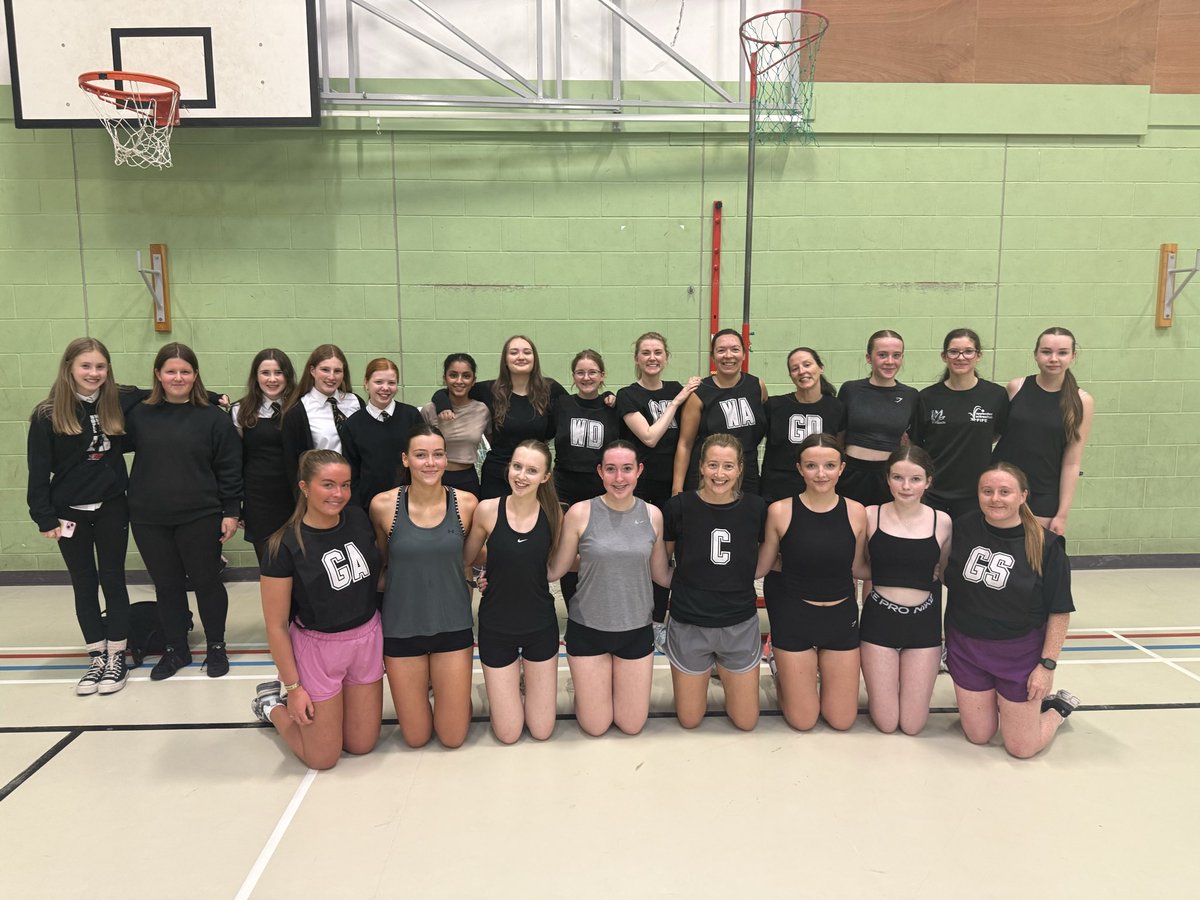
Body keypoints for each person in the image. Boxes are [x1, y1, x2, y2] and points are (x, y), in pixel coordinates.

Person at [251, 451, 384, 770]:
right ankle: (271, 705)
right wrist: (294, 688)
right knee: (322, 759)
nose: (338, 494)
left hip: (366, 638)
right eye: (328, 485)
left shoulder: (357, 518)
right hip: (318, 649)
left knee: (362, 745)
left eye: (345, 485)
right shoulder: (283, 545)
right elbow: (276, 626)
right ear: (305, 487)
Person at [27, 338, 139, 695]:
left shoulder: (118, 401)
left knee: (113, 578)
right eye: (86, 366)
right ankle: (96, 655)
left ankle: (117, 656)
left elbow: (168, 387)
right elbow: (37, 470)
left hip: (111, 507)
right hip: (68, 513)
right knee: (83, 582)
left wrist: (214, 397)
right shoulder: (47, 414)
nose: (94, 373)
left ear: (108, 371)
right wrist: (43, 517)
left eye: (100, 367)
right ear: (70, 369)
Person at [944, 462, 1079, 758]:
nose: (995, 498)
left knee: (1021, 748)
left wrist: (1047, 666)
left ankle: (1057, 709)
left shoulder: (1047, 545)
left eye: (1005, 492)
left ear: (1023, 496)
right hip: (966, 647)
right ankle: (1005, 704)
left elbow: (1059, 611)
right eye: (987, 491)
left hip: (1018, 654)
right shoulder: (963, 527)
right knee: (979, 736)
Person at [125, 343, 242, 680]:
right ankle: (177, 648)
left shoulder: (212, 419)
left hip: (200, 515)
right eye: (170, 371)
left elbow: (230, 468)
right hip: (149, 517)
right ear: (158, 375)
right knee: (166, 585)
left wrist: (231, 511)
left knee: (206, 582)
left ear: (195, 375)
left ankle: (216, 646)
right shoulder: (139, 416)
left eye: (185, 371)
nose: (178, 377)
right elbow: (118, 399)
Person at [549, 440, 673, 736]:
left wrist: (713, 579)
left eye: (627, 469)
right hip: (588, 629)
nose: (619, 478)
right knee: (596, 726)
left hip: (635, 630)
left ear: (639, 471)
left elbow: (661, 575)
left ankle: (604, 685)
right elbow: (556, 570)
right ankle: (589, 687)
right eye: (611, 470)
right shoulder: (579, 513)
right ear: (600, 472)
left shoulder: (653, 515)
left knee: (631, 726)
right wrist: (498, 577)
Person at [371, 425, 479, 749]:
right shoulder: (383, 506)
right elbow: (384, 562)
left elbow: (471, 559)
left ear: (446, 458)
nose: (429, 463)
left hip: (453, 625)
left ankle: (453, 696)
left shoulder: (468, 503)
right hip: (402, 629)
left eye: (437, 454)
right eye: (420, 455)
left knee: (452, 737)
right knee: (416, 738)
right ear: (406, 460)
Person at [757, 434, 869, 731]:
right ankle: (779, 665)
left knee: (842, 720)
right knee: (804, 721)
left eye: (829, 465)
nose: (821, 474)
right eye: (812, 466)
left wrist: (913, 571)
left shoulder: (857, 512)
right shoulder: (780, 511)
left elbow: (858, 567)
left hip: (840, 618)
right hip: (795, 618)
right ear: (799, 468)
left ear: (841, 468)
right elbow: (764, 566)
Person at [662, 434, 767, 730]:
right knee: (690, 720)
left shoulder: (757, 508)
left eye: (728, 466)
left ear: (740, 469)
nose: (719, 474)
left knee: (746, 722)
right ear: (701, 467)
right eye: (713, 465)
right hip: (689, 622)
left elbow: (761, 562)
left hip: (739, 621)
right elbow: (661, 567)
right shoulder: (678, 507)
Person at [462, 440, 563, 744]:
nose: (521, 475)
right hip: (496, 625)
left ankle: (524, 683)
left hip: (540, 624)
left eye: (532, 470)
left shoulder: (554, 513)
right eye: (517, 466)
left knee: (542, 731)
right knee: (508, 734)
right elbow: (468, 558)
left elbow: (554, 564)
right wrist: (483, 575)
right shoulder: (487, 510)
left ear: (545, 476)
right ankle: (505, 686)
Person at [860, 446, 952, 735]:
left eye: (915, 479)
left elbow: (944, 572)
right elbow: (856, 567)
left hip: (922, 626)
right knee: (887, 724)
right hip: (879, 623)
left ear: (929, 481)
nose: (906, 486)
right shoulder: (869, 515)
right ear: (887, 479)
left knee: (912, 726)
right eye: (898, 477)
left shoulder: (943, 521)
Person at [616, 331, 699, 630]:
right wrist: (675, 403)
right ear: (637, 358)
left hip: (676, 487)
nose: (652, 358)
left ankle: (658, 622)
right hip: (642, 488)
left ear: (666, 357)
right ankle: (635, 617)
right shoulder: (628, 395)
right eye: (646, 353)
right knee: (639, 554)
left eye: (658, 352)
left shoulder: (678, 388)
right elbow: (649, 437)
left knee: (668, 554)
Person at [430, 335, 566, 499]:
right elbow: (454, 389)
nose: (521, 357)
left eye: (527, 352)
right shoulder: (491, 390)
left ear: (534, 358)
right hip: (497, 475)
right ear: (505, 360)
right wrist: (443, 403)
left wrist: (605, 398)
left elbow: (576, 408)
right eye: (514, 352)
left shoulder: (550, 389)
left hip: (532, 475)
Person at [992, 327, 1094, 535]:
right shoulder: (1016, 387)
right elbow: (996, 435)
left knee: (1035, 559)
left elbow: (1072, 461)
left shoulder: (1082, 401)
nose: (1053, 358)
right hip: (1001, 485)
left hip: (1044, 492)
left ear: (1073, 356)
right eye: (1046, 351)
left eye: (1062, 352)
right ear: (1036, 354)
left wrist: (1062, 513)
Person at [913, 329, 1009, 521]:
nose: (961, 357)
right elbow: (917, 444)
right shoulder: (926, 397)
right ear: (944, 356)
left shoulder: (995, 396)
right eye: (954, 351)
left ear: (978, 355)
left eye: (968, 351)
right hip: (934, 492)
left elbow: (998, 433)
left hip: (975, 493)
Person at [552, 349, 621, 604]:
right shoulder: (562, 404)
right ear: (573, 376)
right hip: (565, 487)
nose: (586, 377)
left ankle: (600, 605)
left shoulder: (613, 406)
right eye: (580, 372)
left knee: (601, 549)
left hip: (599, 488)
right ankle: (573, 609)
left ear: (602, 375)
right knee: (568, 551)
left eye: (592, 372)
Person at [673, 329, 768, 496]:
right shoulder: (699, 393)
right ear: (713, 356)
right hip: (709, 477)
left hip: (748, 474)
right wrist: (677, 488)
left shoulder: (757, 386)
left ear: (744, 354)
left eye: (735, 349)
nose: (728, 355)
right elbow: (685, 444)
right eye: (721, 350)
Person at [837, 330, 918, 507]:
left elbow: (910, 441)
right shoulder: (850, 390)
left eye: (896, 355)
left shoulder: (911, 396)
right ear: (868, 357)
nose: (890, 361)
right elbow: (839, 435)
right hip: (851, 474)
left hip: (888, 477)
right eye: (882, 355)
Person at [231, 349, 297, 564]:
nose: (272, 379)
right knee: (269, 564)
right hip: (259, 499)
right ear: (255, 376)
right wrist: (237, 506)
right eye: (265, 373)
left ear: (287, 375)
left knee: (300, 560)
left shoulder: (302, 406)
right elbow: (235, 461)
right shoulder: (240, 410)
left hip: (296, 495)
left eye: (278, 372)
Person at [761, 346, 847, 503]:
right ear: (790, 375)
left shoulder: (837, 407)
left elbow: (839, 449)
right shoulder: (774, 406)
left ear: (820, 368)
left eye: (807, 365)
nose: (801, 371)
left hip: (819, 490)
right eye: (795, 368)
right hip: (777, 491)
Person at [341, 357, 422, 508]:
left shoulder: (412, 416)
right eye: (378, 382)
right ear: (366, 383)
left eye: (391, 383)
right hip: (369, 507)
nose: (385, 388)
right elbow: (352, 474)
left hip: (410, 504)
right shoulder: (352, 425)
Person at [280, 344, 362, 491]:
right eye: (325, 370)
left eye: (337, 371)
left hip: (355, 489)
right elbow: (292, 465)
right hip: (322, 490)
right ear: (312, 370)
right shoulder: (298, 412)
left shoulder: (356, 402)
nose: (331, 377)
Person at [420, 353, 490, 498]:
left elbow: (494, 441)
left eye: (466, 376)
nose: (459, 381)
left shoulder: (482, 410)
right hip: (435, 479)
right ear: (444, 378)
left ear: (473, 380)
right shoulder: (430, 410)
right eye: (453, 375)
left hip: (467, 479)